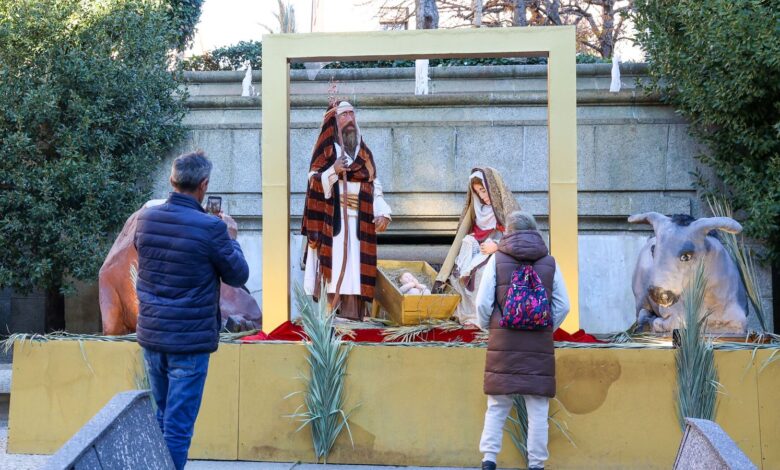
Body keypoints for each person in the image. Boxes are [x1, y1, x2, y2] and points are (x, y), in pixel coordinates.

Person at [135, 150, 249, 470]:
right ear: (204, 185)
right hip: (188, 343)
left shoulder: (145, 219)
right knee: (178, 427)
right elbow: (238, 275)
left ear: (172, 180)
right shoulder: (211, 229)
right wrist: (231, 237)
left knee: (162, 418)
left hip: (153, 338)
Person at [475, 211, 570, 470]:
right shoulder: (549, 262)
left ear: (509, 232)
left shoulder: (497, 259)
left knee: (497, 405)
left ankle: (489, 461)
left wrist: (490, 327)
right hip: (538, 345)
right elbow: (564, 305)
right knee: (538, 408)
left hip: (503, 342)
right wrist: (546, 327)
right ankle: (536, 465)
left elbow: (483, 302)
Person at [302, 101, 392, 320]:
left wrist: (383, 212)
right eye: (344, 115)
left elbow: (374, 188)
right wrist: (333, 170)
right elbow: (313, 181)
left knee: (356, 272)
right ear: (334, 122)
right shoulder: (326, 151)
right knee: (335, 270)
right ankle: (330, 317)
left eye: (352, 114)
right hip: (333, 224)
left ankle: (355, 317)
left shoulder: (365, 154)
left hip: (360, 225)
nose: (350, 119)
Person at [434, 167, 519, 324]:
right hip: (480, 250)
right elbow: (474, 233)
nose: (482, 196)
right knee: (458, 274)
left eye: (484, 190)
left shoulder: (508, 211)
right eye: (478, 192)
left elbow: (519, 239)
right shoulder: (479, 210)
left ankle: (483, 319)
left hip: (503, 254)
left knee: (482, 273)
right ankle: (467, 316)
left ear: (492, 189)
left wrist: (498, 246)